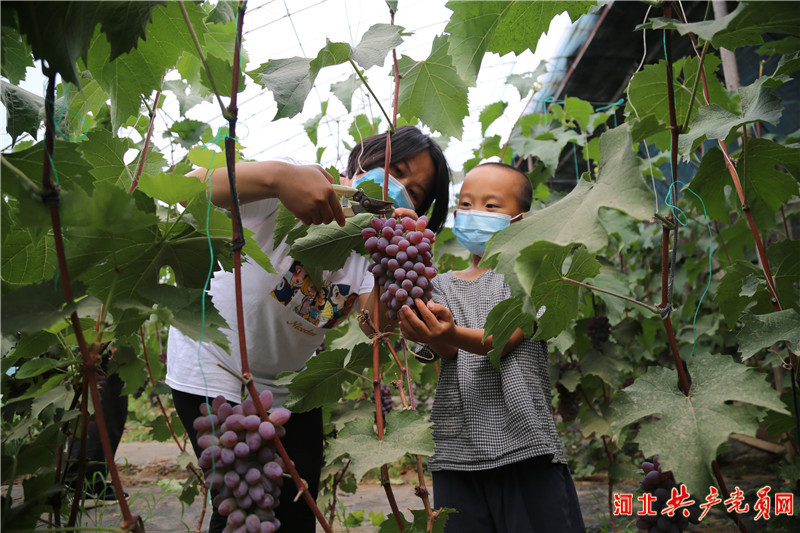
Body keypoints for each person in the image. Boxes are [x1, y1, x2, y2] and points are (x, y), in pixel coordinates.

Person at [166, 125, 450, 533]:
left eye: (415, 190)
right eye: (395, 168)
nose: (397, 185)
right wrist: (278, 178)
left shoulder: (372, 250)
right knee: (241, 497)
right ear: (362, 157)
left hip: (289, 385)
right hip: (216, 368)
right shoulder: (299, 188)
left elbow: (374, 328)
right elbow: (187, 190)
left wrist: (396, 264)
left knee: (297, 508)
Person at [398, 162, 585, 533]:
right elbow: (449, 353)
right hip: (457, 448)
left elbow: (503, 340)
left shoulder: (536, 274)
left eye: (491, 206)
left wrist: (448, 333)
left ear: (520, 220)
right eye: (465, 204)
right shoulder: (442, 283)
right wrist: (398, 241)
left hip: (524, 442)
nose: (474, 214)